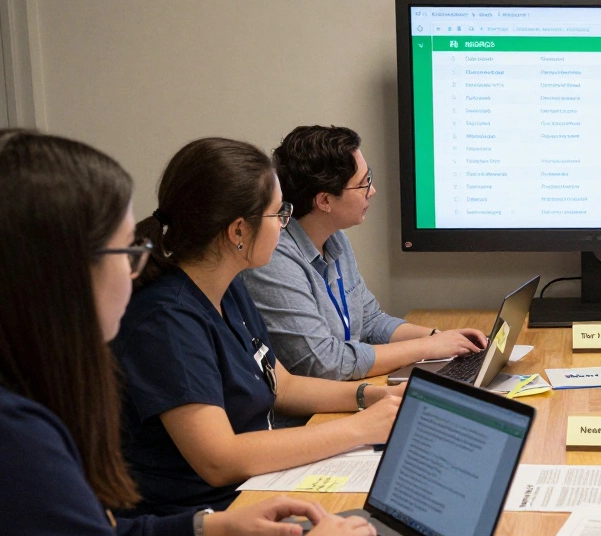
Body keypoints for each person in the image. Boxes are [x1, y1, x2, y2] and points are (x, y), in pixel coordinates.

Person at [0, 130, 384, 536]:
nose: (139, 265)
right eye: (127, 249)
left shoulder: (5, 396)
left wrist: (206, 528)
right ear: (62, 274)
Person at [112, 137, 402, 516]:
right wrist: (361, 428)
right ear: (238, 232)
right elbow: (219, 459)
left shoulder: (227, 285)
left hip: (254, 489)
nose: (285, 227)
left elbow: (282, 385)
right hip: (202, 519)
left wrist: (370, 397)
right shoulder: (167, 320)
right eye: (279, 214)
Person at [244, 125, 486, 385]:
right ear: (324, 201)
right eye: (363, 184)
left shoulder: (334, 239)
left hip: (348, 390)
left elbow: (370, 322)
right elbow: (325, 363)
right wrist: (429, 348)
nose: (372, 191)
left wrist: (440, 337)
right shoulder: (275, 259)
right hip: (312, 414)